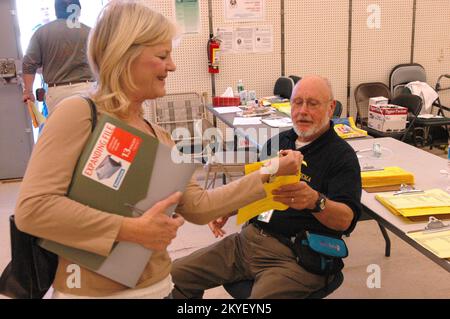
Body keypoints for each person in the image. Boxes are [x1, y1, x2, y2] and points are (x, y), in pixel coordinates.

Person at [14, 1, 301, 299]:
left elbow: (199, 206)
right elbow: (33, 209)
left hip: (159, 286)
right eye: (162, 55)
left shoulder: (159, 135)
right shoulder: (80, 114)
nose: (172, 65)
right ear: (124, 55)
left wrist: (270, 171)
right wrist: (129, 229)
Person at [171, 75, 362, 299]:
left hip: (296, 254)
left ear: (330, 108)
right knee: (176, 274)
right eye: (297, 102)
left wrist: (315, 201)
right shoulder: (277, 143)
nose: (302, 111)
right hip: (249, 240)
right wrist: (230, 208)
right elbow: (256, 190)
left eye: (312, 103)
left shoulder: (342, 157)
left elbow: (345, 220)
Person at [22, 0, 94, 115]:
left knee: (62, 131)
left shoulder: (41, 32)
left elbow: (28, 64)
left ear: (56, 11)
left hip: (57, 93)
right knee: (90, 130)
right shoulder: (91, 32)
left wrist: (28, 91)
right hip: (88, 90)